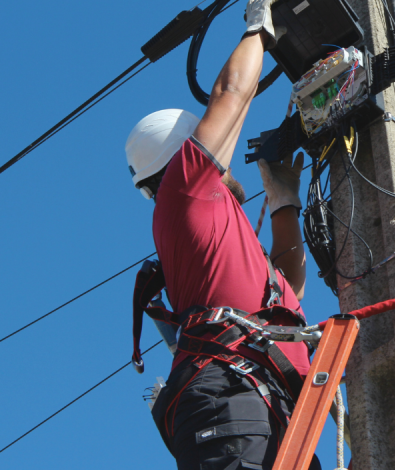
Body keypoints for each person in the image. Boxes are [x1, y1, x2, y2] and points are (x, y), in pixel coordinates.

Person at [125, 1, 317, 469]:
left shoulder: (209, 225)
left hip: (263, 404)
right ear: (181, 156)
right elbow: (231, 94)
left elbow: (285, 293)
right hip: (230, 396)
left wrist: (283, 203)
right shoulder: (182, 192)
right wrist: (261, 27)